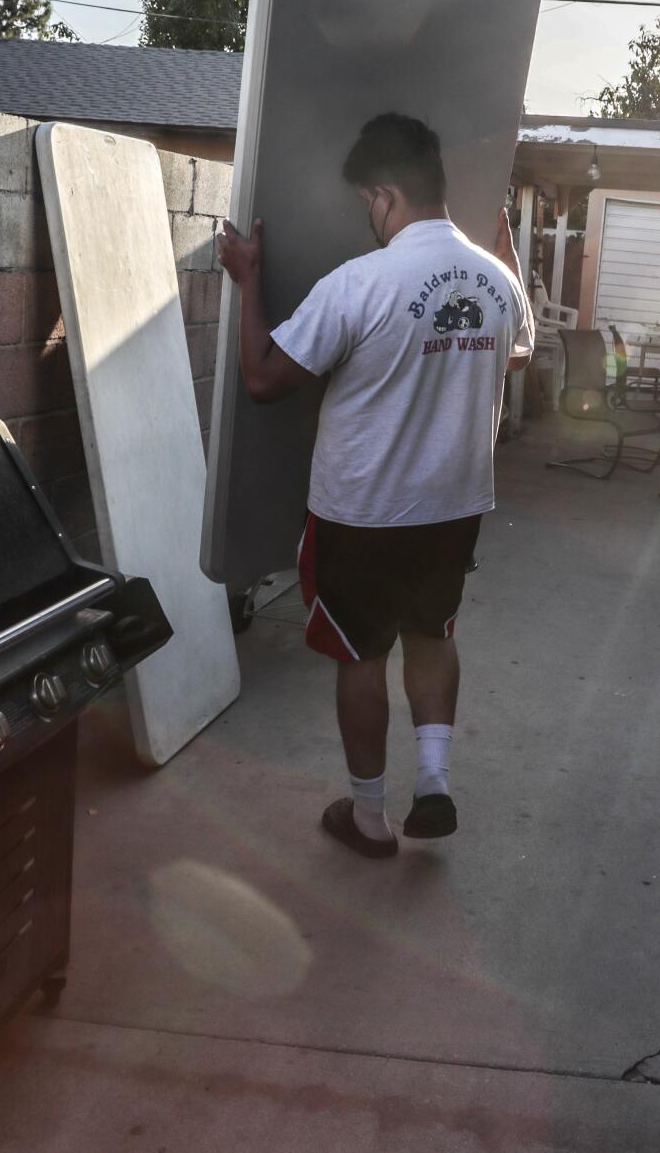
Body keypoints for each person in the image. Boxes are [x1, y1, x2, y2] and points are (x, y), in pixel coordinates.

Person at [216, 113, 534, 859]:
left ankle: (367, 819)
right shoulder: (498, 284)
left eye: (367, 200)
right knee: (433, 634)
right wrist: (504, 243)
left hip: (361, 513)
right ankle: (433, 782)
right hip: (454, 509)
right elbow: (514, 355)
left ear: (385, 195)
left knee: (361, 656)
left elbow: (264, 377)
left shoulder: (360, 282)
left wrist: (248, 279)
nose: (368, 214)